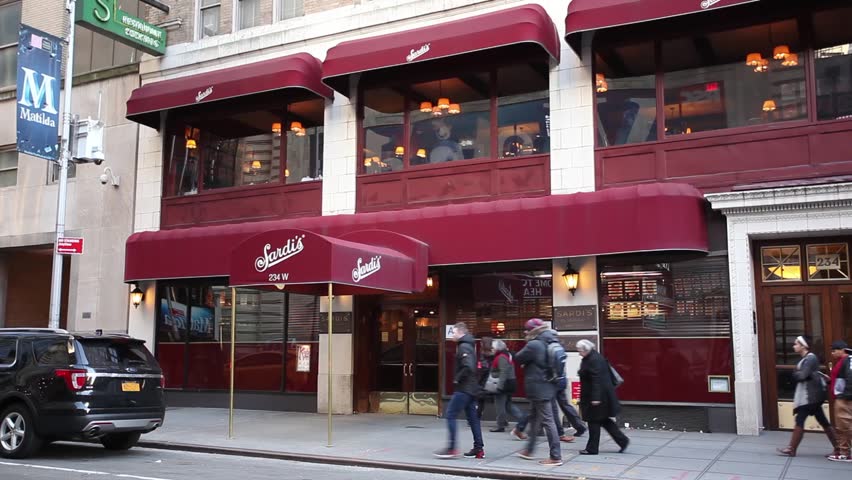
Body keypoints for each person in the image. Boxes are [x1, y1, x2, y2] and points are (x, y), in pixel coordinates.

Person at [514, 318, 563, 466]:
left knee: (548, 421)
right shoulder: (549, 341)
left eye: (527, 330)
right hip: (547, 385)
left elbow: (518, 357)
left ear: (532, 331)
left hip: (539, 387)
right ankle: (529, 450)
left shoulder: (534, 344)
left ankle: (555, 456)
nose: (525, 332)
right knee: (535, 419)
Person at [777, 335, 837, 457]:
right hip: (811, 396)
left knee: (800, 420)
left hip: (809, 397)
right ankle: (839, 448)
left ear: (803, 346)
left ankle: (791, 449)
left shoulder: (810, 358)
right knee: (823, 421)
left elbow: (802, 375)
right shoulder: (807, 359)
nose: (794, 346)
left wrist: (795, 373)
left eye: (796, 344)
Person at [434, 322, 485, 459]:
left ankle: (451, 448)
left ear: (461, 332)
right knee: (473, 419)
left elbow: (468, 366)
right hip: (471, 388)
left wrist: (457, 378)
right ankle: (478, 449)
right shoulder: (469, 345)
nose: (452, 335)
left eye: (454, 332)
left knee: (450, 414)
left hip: (464, 388)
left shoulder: (464, 346)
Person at [577, 339, 629, 455]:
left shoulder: (593, 360)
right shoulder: (593, 357)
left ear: (586, 350)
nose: (579, 353)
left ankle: (592, 448)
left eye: (580, 350)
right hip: (602, 396)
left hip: (596, 397)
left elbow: (596, 379)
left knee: (593, 421)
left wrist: (595, 398)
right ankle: (623, 441)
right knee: (604, 420)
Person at [488, 339, 527, 433]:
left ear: (497, 348)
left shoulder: (501, 357)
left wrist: (499, 387)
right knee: (508, 405)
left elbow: (503, 372)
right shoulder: (506, 355)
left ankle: (500, 425)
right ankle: (522, 417)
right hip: (508, 383)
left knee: (500, 406)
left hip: (503, 384)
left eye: (493, 347)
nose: (491, 349)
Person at [827, 340, 852, 462]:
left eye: (834, 350)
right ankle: (843, 452)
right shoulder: (844, 360)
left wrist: (845, 395)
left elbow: (850, 378)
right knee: (844, 426)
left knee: (844, 426)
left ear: (842, 350)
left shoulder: (848, 360)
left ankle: (844, 453)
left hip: (844, 399)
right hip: (843, 397)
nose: (832, 353)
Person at [477, 337, 495, 420]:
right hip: (494, 381)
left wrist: (478, 381)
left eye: (481, 342)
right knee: (499, 401)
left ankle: (476, 418)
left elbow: (483, 369)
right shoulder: (495, 354)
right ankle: (502, 419)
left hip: (485, 381)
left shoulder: (483, 355)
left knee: (480, 400)